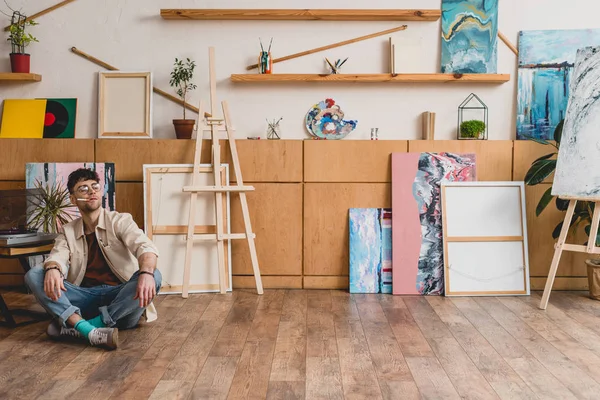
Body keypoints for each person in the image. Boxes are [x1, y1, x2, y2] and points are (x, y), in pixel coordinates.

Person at [24, 168, 162, 350]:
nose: (91, 192)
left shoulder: (120, 221)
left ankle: (84, 328)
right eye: (83, 188)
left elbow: (145, 247)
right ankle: (86, 326)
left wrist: (145, 272)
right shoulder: (68, 231)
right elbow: (58, 255)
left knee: (155, 275)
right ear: (73, 199)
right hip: (84, 299)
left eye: (95, 187)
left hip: (121, 301)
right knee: (34, 274)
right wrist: (52, 268)